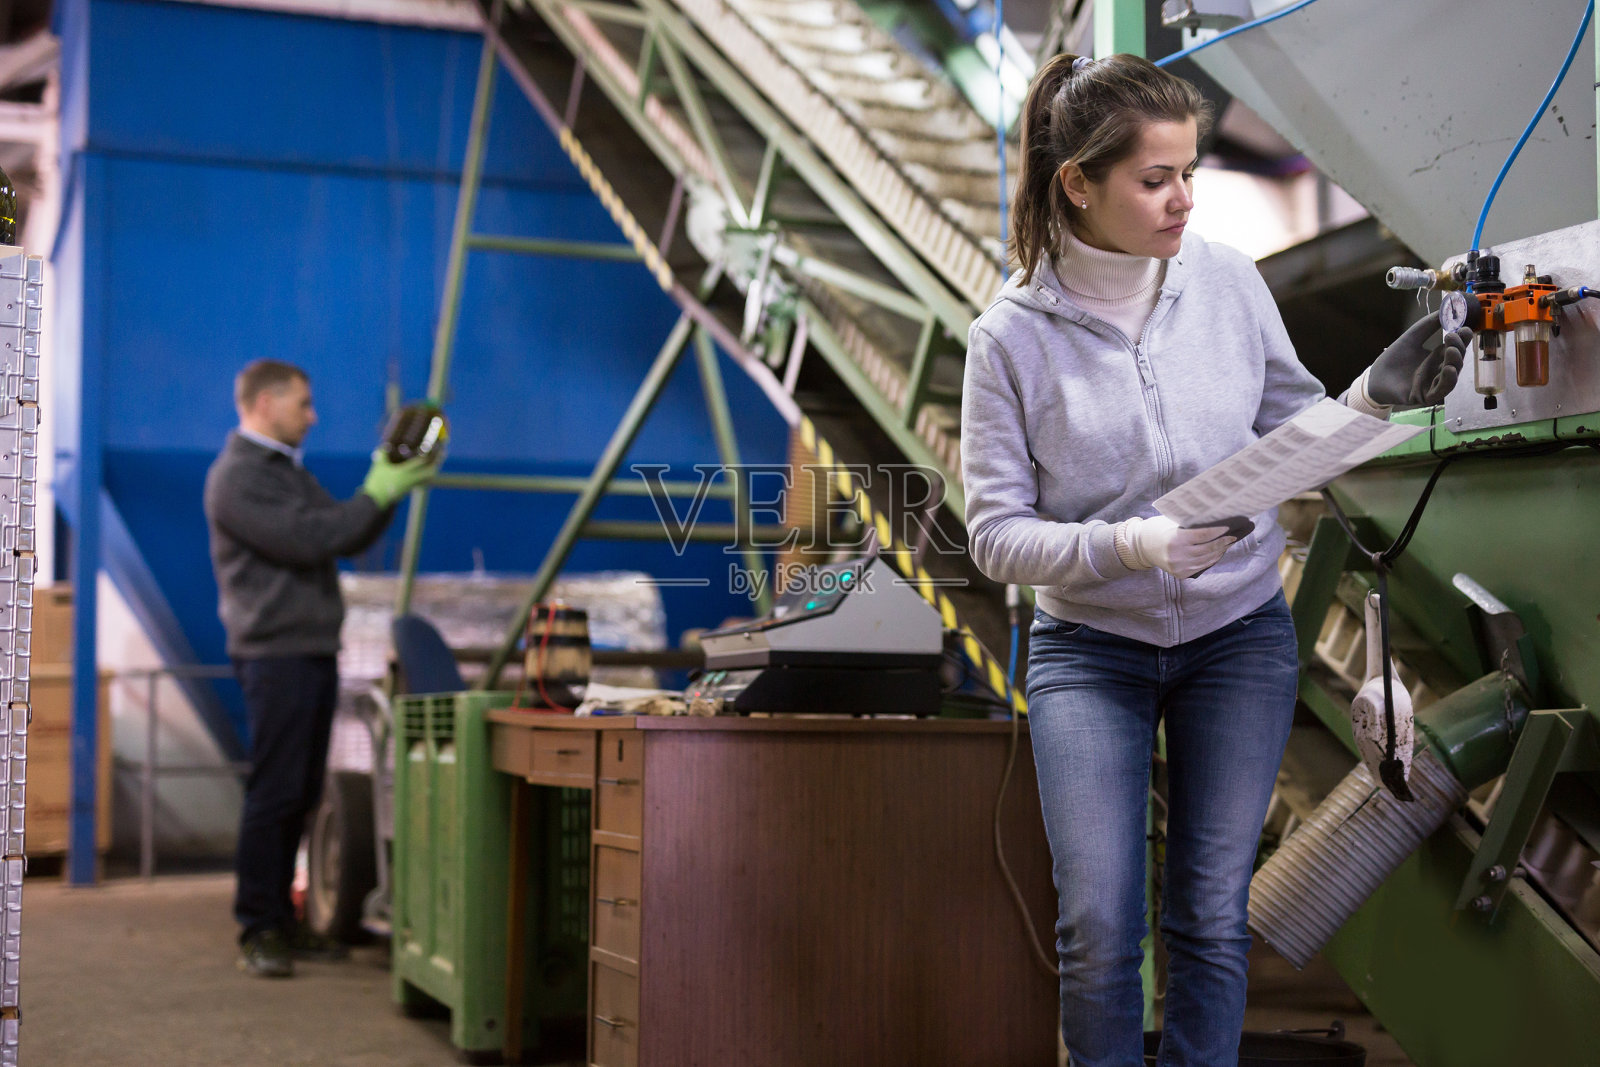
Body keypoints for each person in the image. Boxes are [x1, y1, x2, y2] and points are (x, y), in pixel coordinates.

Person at [961, 54, 1468, 1066]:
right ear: (1078, 184)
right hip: (1089, 650)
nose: (1183, 198)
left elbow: (1298, 428)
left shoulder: (1227, 283)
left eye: (1189, 171)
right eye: (1155, 180)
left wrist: (1376, 394)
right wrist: (1129, 542)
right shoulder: (1008, 340)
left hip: (1235, 638)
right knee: (1100, 922)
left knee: (1207, 910)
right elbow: (993, 534)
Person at [204, 359, 437, 978]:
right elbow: (315, 539)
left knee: (302, 791)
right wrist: (379, 487)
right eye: (303, 404)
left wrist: (386, 488)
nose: (312, 416)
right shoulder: (238, 479)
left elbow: (343, 532)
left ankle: (284, 920)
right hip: (274, 652)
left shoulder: (280, 472)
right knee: (277, 790)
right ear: (264, 402)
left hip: (306, 649)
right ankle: (258, 926)